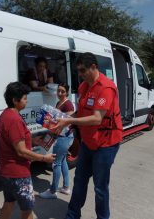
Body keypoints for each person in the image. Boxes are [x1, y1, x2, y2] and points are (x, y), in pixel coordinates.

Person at [53, 52, 123, 219]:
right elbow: (82, 112)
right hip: (88, 143)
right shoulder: (84, 86)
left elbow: (97, 118)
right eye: (79, 71)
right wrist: (66, 119)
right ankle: (72, 215)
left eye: (83, 70)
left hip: (106, 144)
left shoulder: (106, 87)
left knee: (100, 187)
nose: (81, 74)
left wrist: (69, 121)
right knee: (79, 181)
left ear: (94, 67)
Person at [0, 81, 56, 219]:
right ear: (14, 100)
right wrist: (43, 158)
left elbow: (12, 140)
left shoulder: (6, 114)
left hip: (5, 171)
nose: (26, 101)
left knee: (9, 202)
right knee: (28, 210)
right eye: (24, 98)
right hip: (18, 173)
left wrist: (34, 140)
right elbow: (21, 151)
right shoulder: (15, 119)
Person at [39, 83, 75, 199]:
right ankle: (65, 187)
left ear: (67, 93)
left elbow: (68, 122)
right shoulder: (59, 103)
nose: (60, 93)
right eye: (59, 91)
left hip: (64, 137)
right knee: (62, 160)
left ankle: (52, 191)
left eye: (63, 91)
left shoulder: (68, 104)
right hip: (60, 136)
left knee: (56, 163)